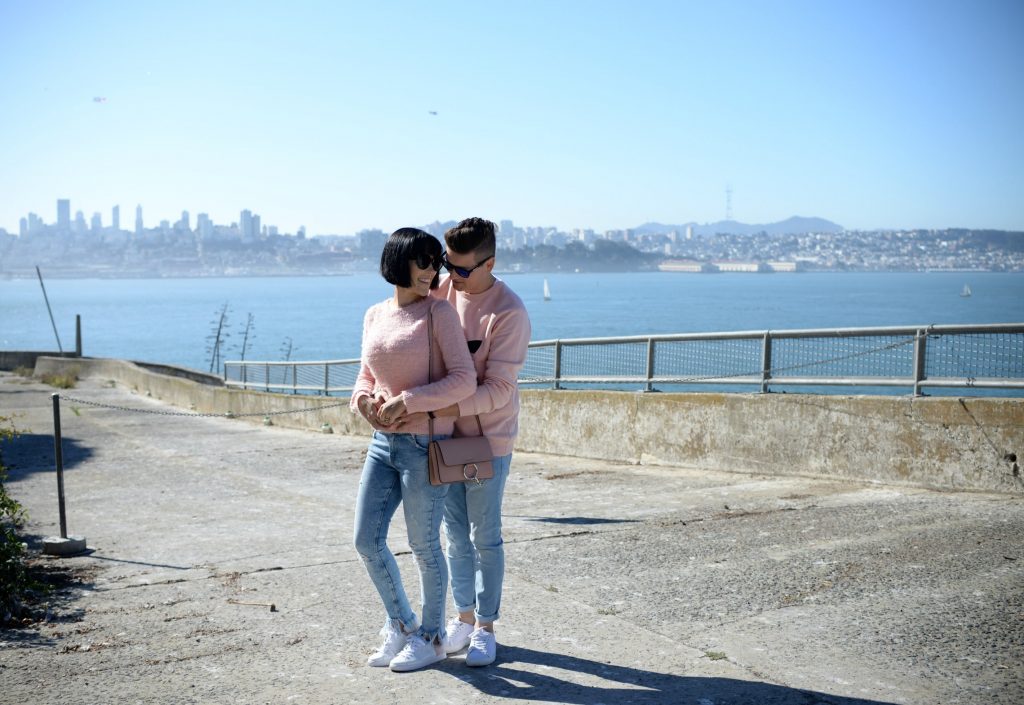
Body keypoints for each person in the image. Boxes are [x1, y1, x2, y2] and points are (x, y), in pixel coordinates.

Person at [393, 217, 530, 666]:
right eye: (448, 265)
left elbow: (500, 390)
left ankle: (487, 628)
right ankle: (464, 619)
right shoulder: (442, 292)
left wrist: (441, 407)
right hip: (445, 437)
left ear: (491, 262)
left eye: (464, 270)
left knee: (485, 536)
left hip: (488, 439)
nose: (451, 276)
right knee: (454, 535)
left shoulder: (508, 312)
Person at [350, 227, 476, 672]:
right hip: (383, 443)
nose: (432, 272)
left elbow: (464, 379)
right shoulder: (374, 315)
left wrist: (410, 401)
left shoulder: (438, 314)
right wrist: (364, 403)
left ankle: (432, 636)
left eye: (436, 264)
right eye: (423, 262)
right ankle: (402, 624)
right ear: (399, 262)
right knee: (366, 539)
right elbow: (366, 376)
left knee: (424, 545)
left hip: (426, 444)